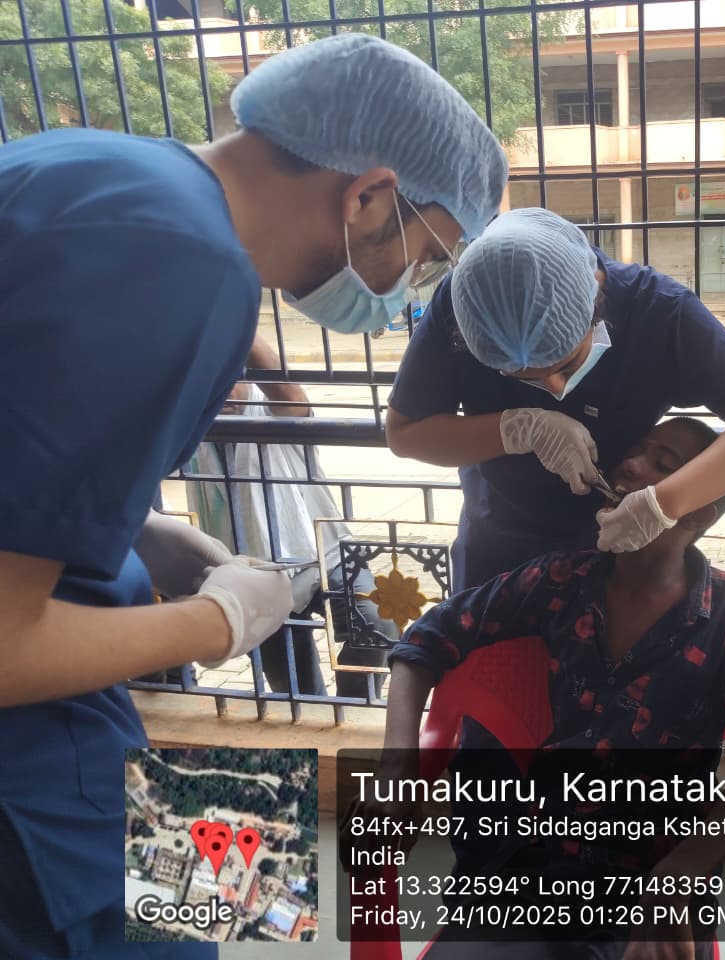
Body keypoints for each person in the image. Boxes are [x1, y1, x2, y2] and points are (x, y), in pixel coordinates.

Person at [0, 33, 506, 958]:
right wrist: (225, 618)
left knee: (243, 880)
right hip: (32, 764)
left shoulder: (99, 169)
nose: (409, 293)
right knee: (201, 908)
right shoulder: (187, 265)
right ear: (368, 198)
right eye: (428, 259)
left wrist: (140, 536)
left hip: (72, 694)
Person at [350, 417, 725, 959]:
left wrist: (681, 874)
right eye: (636, 448)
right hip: (522, 876)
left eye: (662, 465)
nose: (631, 464)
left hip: (649, 890)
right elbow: (424, 643)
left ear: (700, 512)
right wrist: (397, 766)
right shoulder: (561, 581)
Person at [386, 207, 725, 591]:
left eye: (566, 365)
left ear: (596, 306)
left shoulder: (659, 313)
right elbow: (405, 435)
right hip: (500, 545)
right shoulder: (465, 305)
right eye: (522, 379)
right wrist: (518, 429)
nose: (554, 389)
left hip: (618, 552)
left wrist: (664, 503)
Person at [186, 335, 400, 698]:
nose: (226, 392)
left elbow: (289, 394)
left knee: (380, 622)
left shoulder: (270, 408)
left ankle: (351, 705)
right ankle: (315, 719)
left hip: (322, 554)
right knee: (293, 689)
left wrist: (233, 311)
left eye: (232, 378)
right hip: (254, 570)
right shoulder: (193, 431)